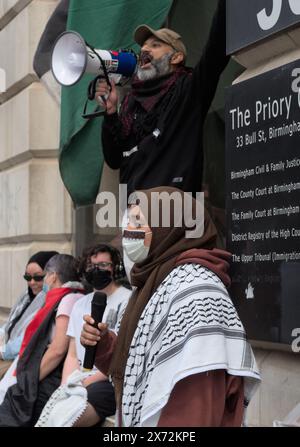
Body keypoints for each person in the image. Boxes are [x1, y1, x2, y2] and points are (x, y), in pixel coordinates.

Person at [80, 187, 261, 427]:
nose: (128, 234)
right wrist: (103, 343)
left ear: (168, 228)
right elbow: (140, 363)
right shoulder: (153, 282)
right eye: (128, 225)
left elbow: (196, 398)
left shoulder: (196, 289)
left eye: (138, 223)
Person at [96, 0, 229, 197]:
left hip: (174, 214)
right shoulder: (130, 101)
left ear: (176, 58)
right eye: (143, 46)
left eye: (155, 45)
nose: (144, 50)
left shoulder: (189, 89)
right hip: (136, 219)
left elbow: (216, 48)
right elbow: (114, 159)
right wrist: (110, 114)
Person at [0, 254, 84, 426]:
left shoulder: (68, 299)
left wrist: (28, 380)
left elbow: (57, 350)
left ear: (53, 276)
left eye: (43, 276)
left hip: (50, 376)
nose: (37, 282)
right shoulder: (72, 296)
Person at [59, 244, 131, 427]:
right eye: (92, 266)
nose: (97, 270)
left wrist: (85, 384)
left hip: (108, 381)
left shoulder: (128, 300)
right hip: (79, 379)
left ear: (116, 267)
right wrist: (65, 385)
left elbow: (123, 355)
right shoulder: (79, 305)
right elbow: (72, 354)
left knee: (69, 420)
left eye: (103, 264)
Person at [0, 251, 58, 378]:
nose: (31, 282)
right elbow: (10, 323)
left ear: (51, 276)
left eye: (38, 277)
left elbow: (29, 337)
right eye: (27, 277)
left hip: (21, 360)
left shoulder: (50, 301)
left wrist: (3, 351)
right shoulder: (26, 296)